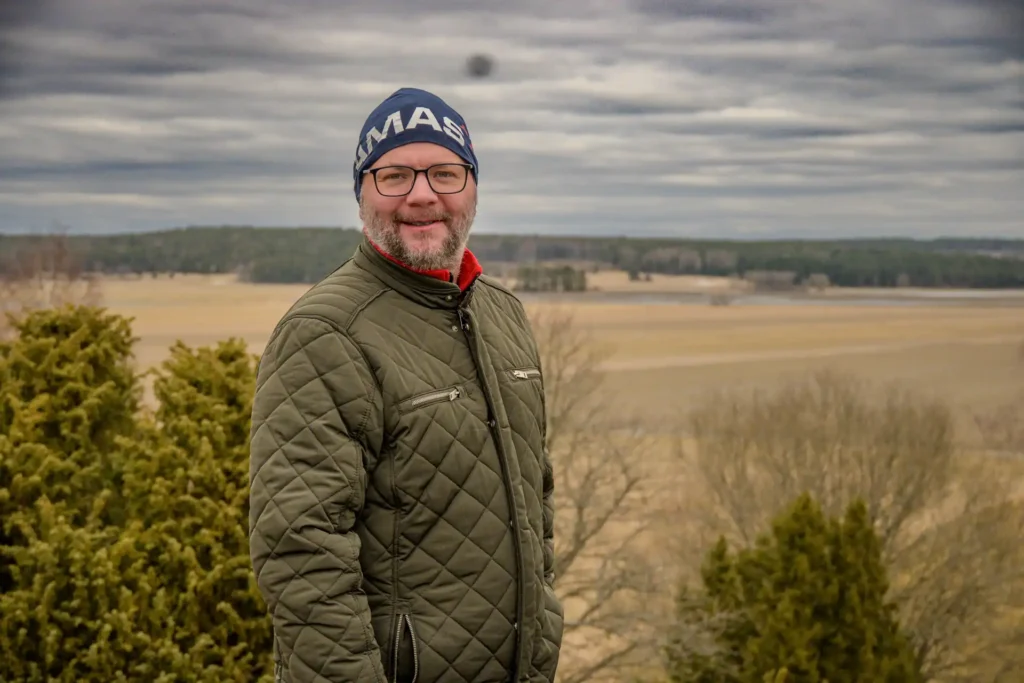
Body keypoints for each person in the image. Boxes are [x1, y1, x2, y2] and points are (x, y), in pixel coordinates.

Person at [248, 86, 564, 683]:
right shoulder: (325, 333)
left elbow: (536, 495)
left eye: (445, 172)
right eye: (394, 175)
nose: (422, 196)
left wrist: (544, 627)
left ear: (473, 188)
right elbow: (300, 551)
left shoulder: (504, 315)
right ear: (362, 194)